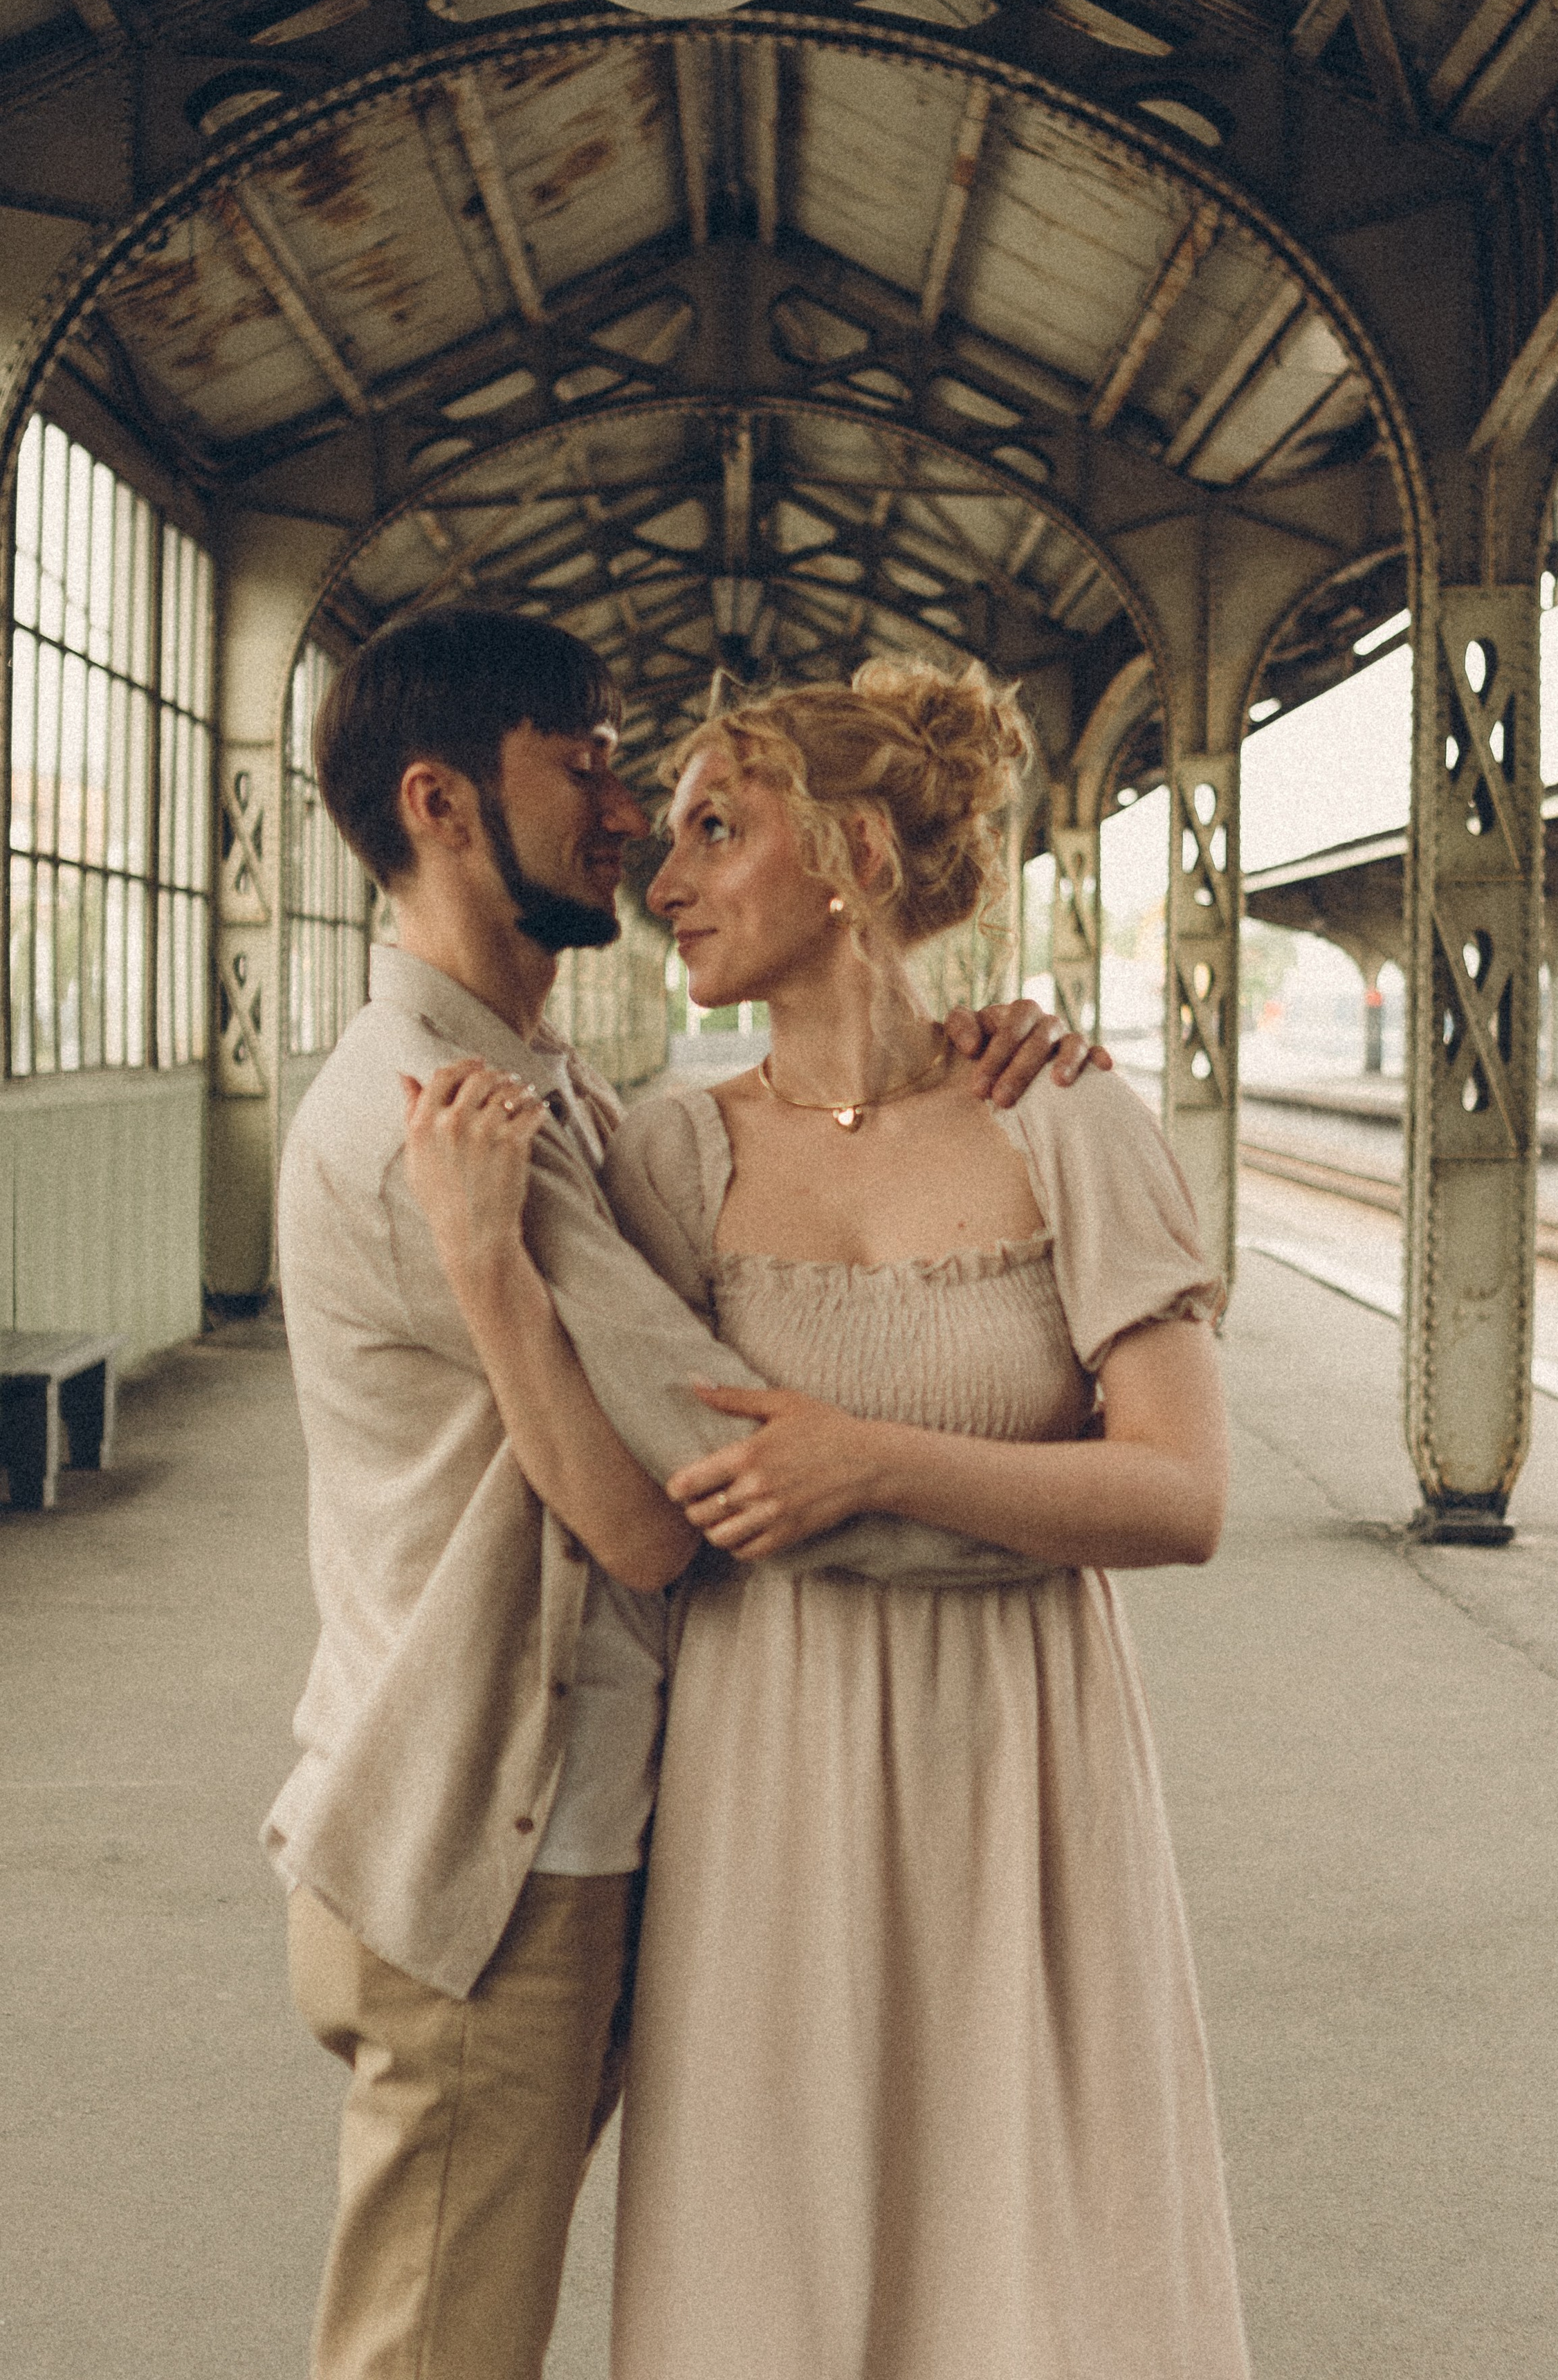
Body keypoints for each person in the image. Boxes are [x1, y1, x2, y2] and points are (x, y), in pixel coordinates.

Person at [264, 605, 1099, 2380]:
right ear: (440, 804)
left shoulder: (546, 1089)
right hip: (490, 1842)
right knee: (430, 2351)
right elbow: (690, 1493)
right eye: (581, 769)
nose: (628, 817)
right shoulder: (436, 1125)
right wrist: (1064, 1517)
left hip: (552, 1816)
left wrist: (955, 1058)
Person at [595, 657, 1252, 2380]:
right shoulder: (669, 1161)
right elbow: (645, 1508)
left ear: (853, 858)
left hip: (1025, 1776)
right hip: (765, 1770)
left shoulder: (1063, 1121)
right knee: (777, 2260)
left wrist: (871, 1462)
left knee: (1034, 2258)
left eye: (715, 830)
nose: (664, 879)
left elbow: (1180, 1493)